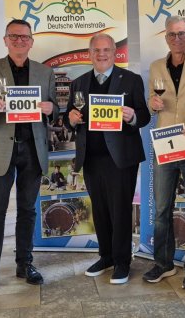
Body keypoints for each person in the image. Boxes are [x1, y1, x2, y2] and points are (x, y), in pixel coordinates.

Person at [0, 19, 57, 299]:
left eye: (24, 37)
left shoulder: (45, 72)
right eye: (14, 36)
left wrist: (51, 108)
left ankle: (24, 264)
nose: (19, 41)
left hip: (32, 149)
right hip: (0, 149)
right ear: (5, 40)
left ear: (31, 41)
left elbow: (55, 108)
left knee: (28, 210)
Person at [65, 33, 151, 284]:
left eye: (106, 50)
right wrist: (70, 120)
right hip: (91, 158)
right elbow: (69, 119)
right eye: (96, 50)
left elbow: (144, 116)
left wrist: (132, 116)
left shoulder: (131, 80)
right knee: (100, 210)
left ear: (115, 53)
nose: (101, 54)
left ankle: (122, 261)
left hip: (121, 158)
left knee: (120, 210)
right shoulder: (78, 83)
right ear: (89, 54)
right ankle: (106, 256)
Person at [143, 15, 185, 289]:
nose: (177, 38)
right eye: (172, 34)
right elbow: (151, 102)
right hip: (164, 146)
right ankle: (163, 263)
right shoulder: (156, 66)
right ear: (166, 38)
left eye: (182, 33)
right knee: (161, 209)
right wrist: (152, 103)